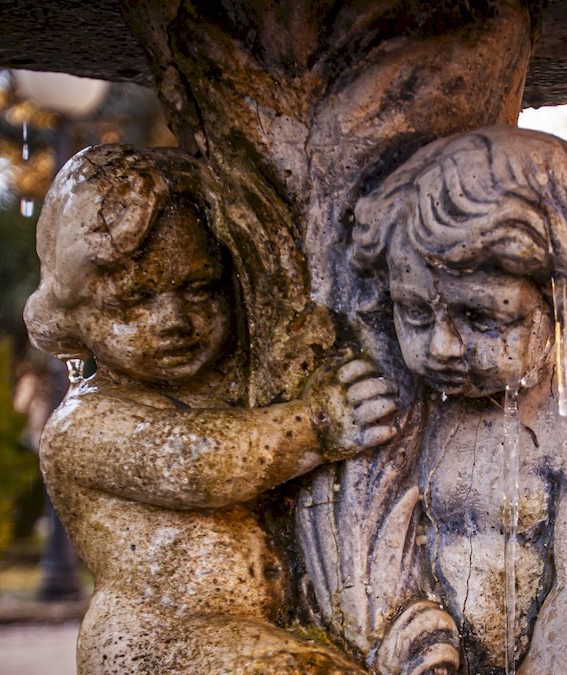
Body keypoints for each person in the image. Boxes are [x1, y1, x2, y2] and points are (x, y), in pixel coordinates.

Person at [25, 144, 395, 674]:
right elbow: (195, 461)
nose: (174, 320)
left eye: (199, 289)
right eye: (135, 300)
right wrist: (314, 423)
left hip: (234, 629)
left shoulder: (221, 387)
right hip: (159, 639)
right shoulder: (83, 425)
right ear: (72, 313)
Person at [350, 127, 567, 673]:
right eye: (415, 312)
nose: (441, 347)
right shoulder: (412, 405)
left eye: (480, 317)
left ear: (560, 300)